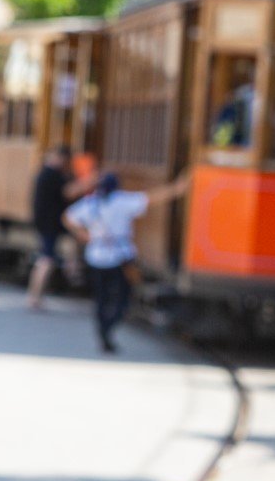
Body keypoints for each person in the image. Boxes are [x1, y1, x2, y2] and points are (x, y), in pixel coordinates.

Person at [63, 171, 187, 353]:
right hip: (119, 257)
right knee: (123, 297)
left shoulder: (90, 203)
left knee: (101, 299)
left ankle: (103, 330)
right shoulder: (121, 202)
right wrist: (176, 189)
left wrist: (81, 233)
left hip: (96, 256)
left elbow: (67, 217)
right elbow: (150, 199)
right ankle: (109, 328)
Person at [27, 144, 93, 309]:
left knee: (74, 239)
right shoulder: (50, 174)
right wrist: (90, 181)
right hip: (50, 223)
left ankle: (72, 268)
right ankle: (35, 296)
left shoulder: (46, 172)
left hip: (52, 222)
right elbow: (68, 192)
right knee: (46, 260)